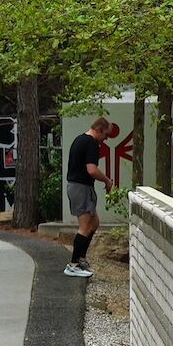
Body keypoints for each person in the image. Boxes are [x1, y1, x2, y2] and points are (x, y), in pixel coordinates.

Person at [65, 117, 114, 278]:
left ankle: (81, 258)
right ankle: (73, 264)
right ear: (99, 129)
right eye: (106, 135)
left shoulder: (80, 139)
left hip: (81, 186)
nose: (105, 139)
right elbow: (92, 170)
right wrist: (107, 180)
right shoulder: (92, 143)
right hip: (81, 187)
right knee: (85, 227)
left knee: (94, 223)